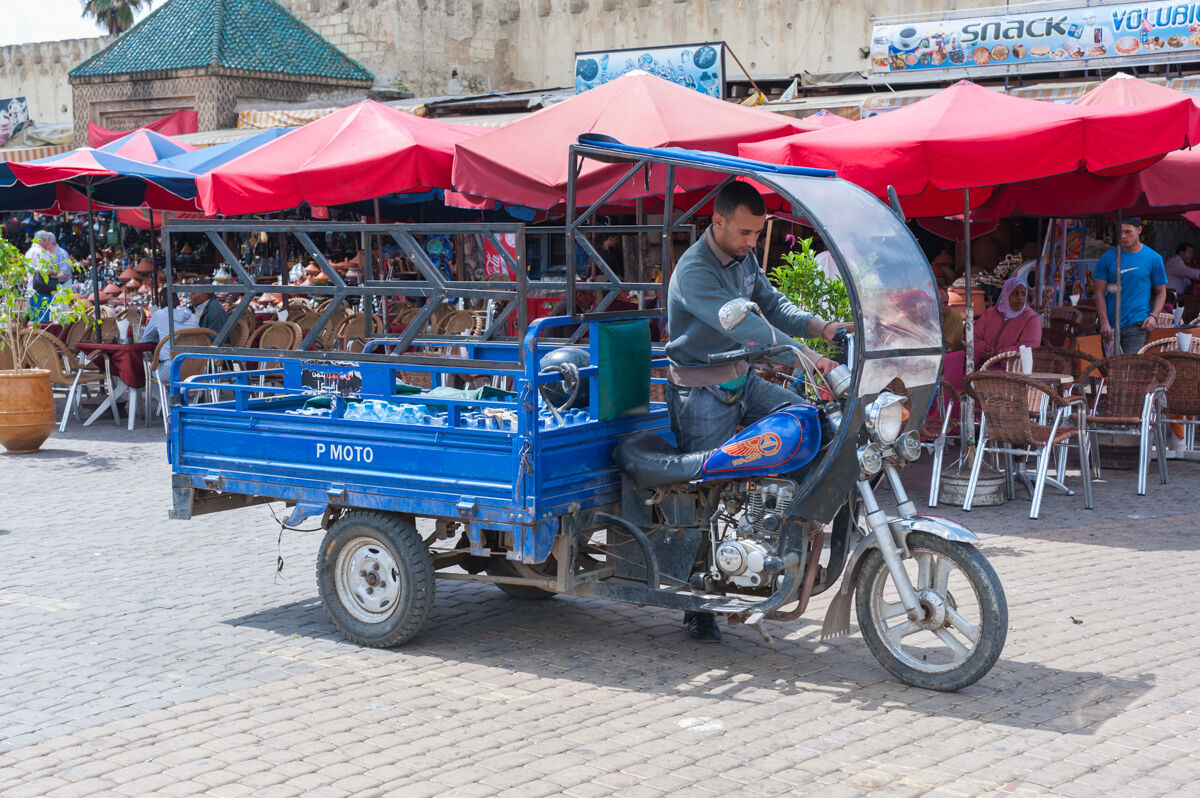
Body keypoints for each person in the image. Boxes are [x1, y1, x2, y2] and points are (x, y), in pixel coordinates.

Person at [665, 181, 846, 643]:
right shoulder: (695, 272)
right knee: (703, 493)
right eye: (745, 233)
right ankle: (696, 599)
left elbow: (772, 306)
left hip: (741, 382)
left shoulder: (743, 260)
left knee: (810, 422)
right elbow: (751, 329)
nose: (752, 242)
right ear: (718, 221)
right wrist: (812, 359)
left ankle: (777, 524)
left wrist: (825, 328)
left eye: (757, 233)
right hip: (701, 392)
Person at [1094, 218, 1167, 355]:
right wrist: (1103, 322)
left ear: (1139, 230)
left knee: (1130, 368)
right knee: (1112, 369)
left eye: (1128, 232)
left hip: (1138, 323)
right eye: (1120, 232)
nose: (1123, 236)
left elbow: (1161, 292)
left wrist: (1153, 317)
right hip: (1111, 325)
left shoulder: (1153, 258)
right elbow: (1099, 292)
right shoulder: (1107, 258)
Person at [972, 278, 1041, 367]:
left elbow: (1028, 348)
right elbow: (974, 336)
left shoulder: (1031, 318)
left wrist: (997, 354)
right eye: (1015, 294)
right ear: (1006, 295)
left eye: (1023, 294)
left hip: (1012, 372)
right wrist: (984, 349)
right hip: (983, 366)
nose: (1020, 298)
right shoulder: (991, 313)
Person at [142, 302, 199, 385]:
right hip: (196, 369)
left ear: (161, 300)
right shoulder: (192, 316)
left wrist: (160, 336)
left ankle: (165, 397)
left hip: (170, 371)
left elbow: (146, 338)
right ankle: (183, 396)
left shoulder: (159, 314)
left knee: (147, 371)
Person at [25, 231, 73, 323]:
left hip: (33, 289)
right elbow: (43, 271)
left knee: (35, 317)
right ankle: (43, 336)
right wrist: (53, 271)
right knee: (43, 317)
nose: (48, 243)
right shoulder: (40, 252)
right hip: (42, 288)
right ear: (42, 240)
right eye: (47, 240)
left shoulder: (29, 252)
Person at [939, 287, 964, 352]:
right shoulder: (922, 315)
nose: (943, 307)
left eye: (945, 303)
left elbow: (947, 348)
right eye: (938, 303)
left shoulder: (954, 316)